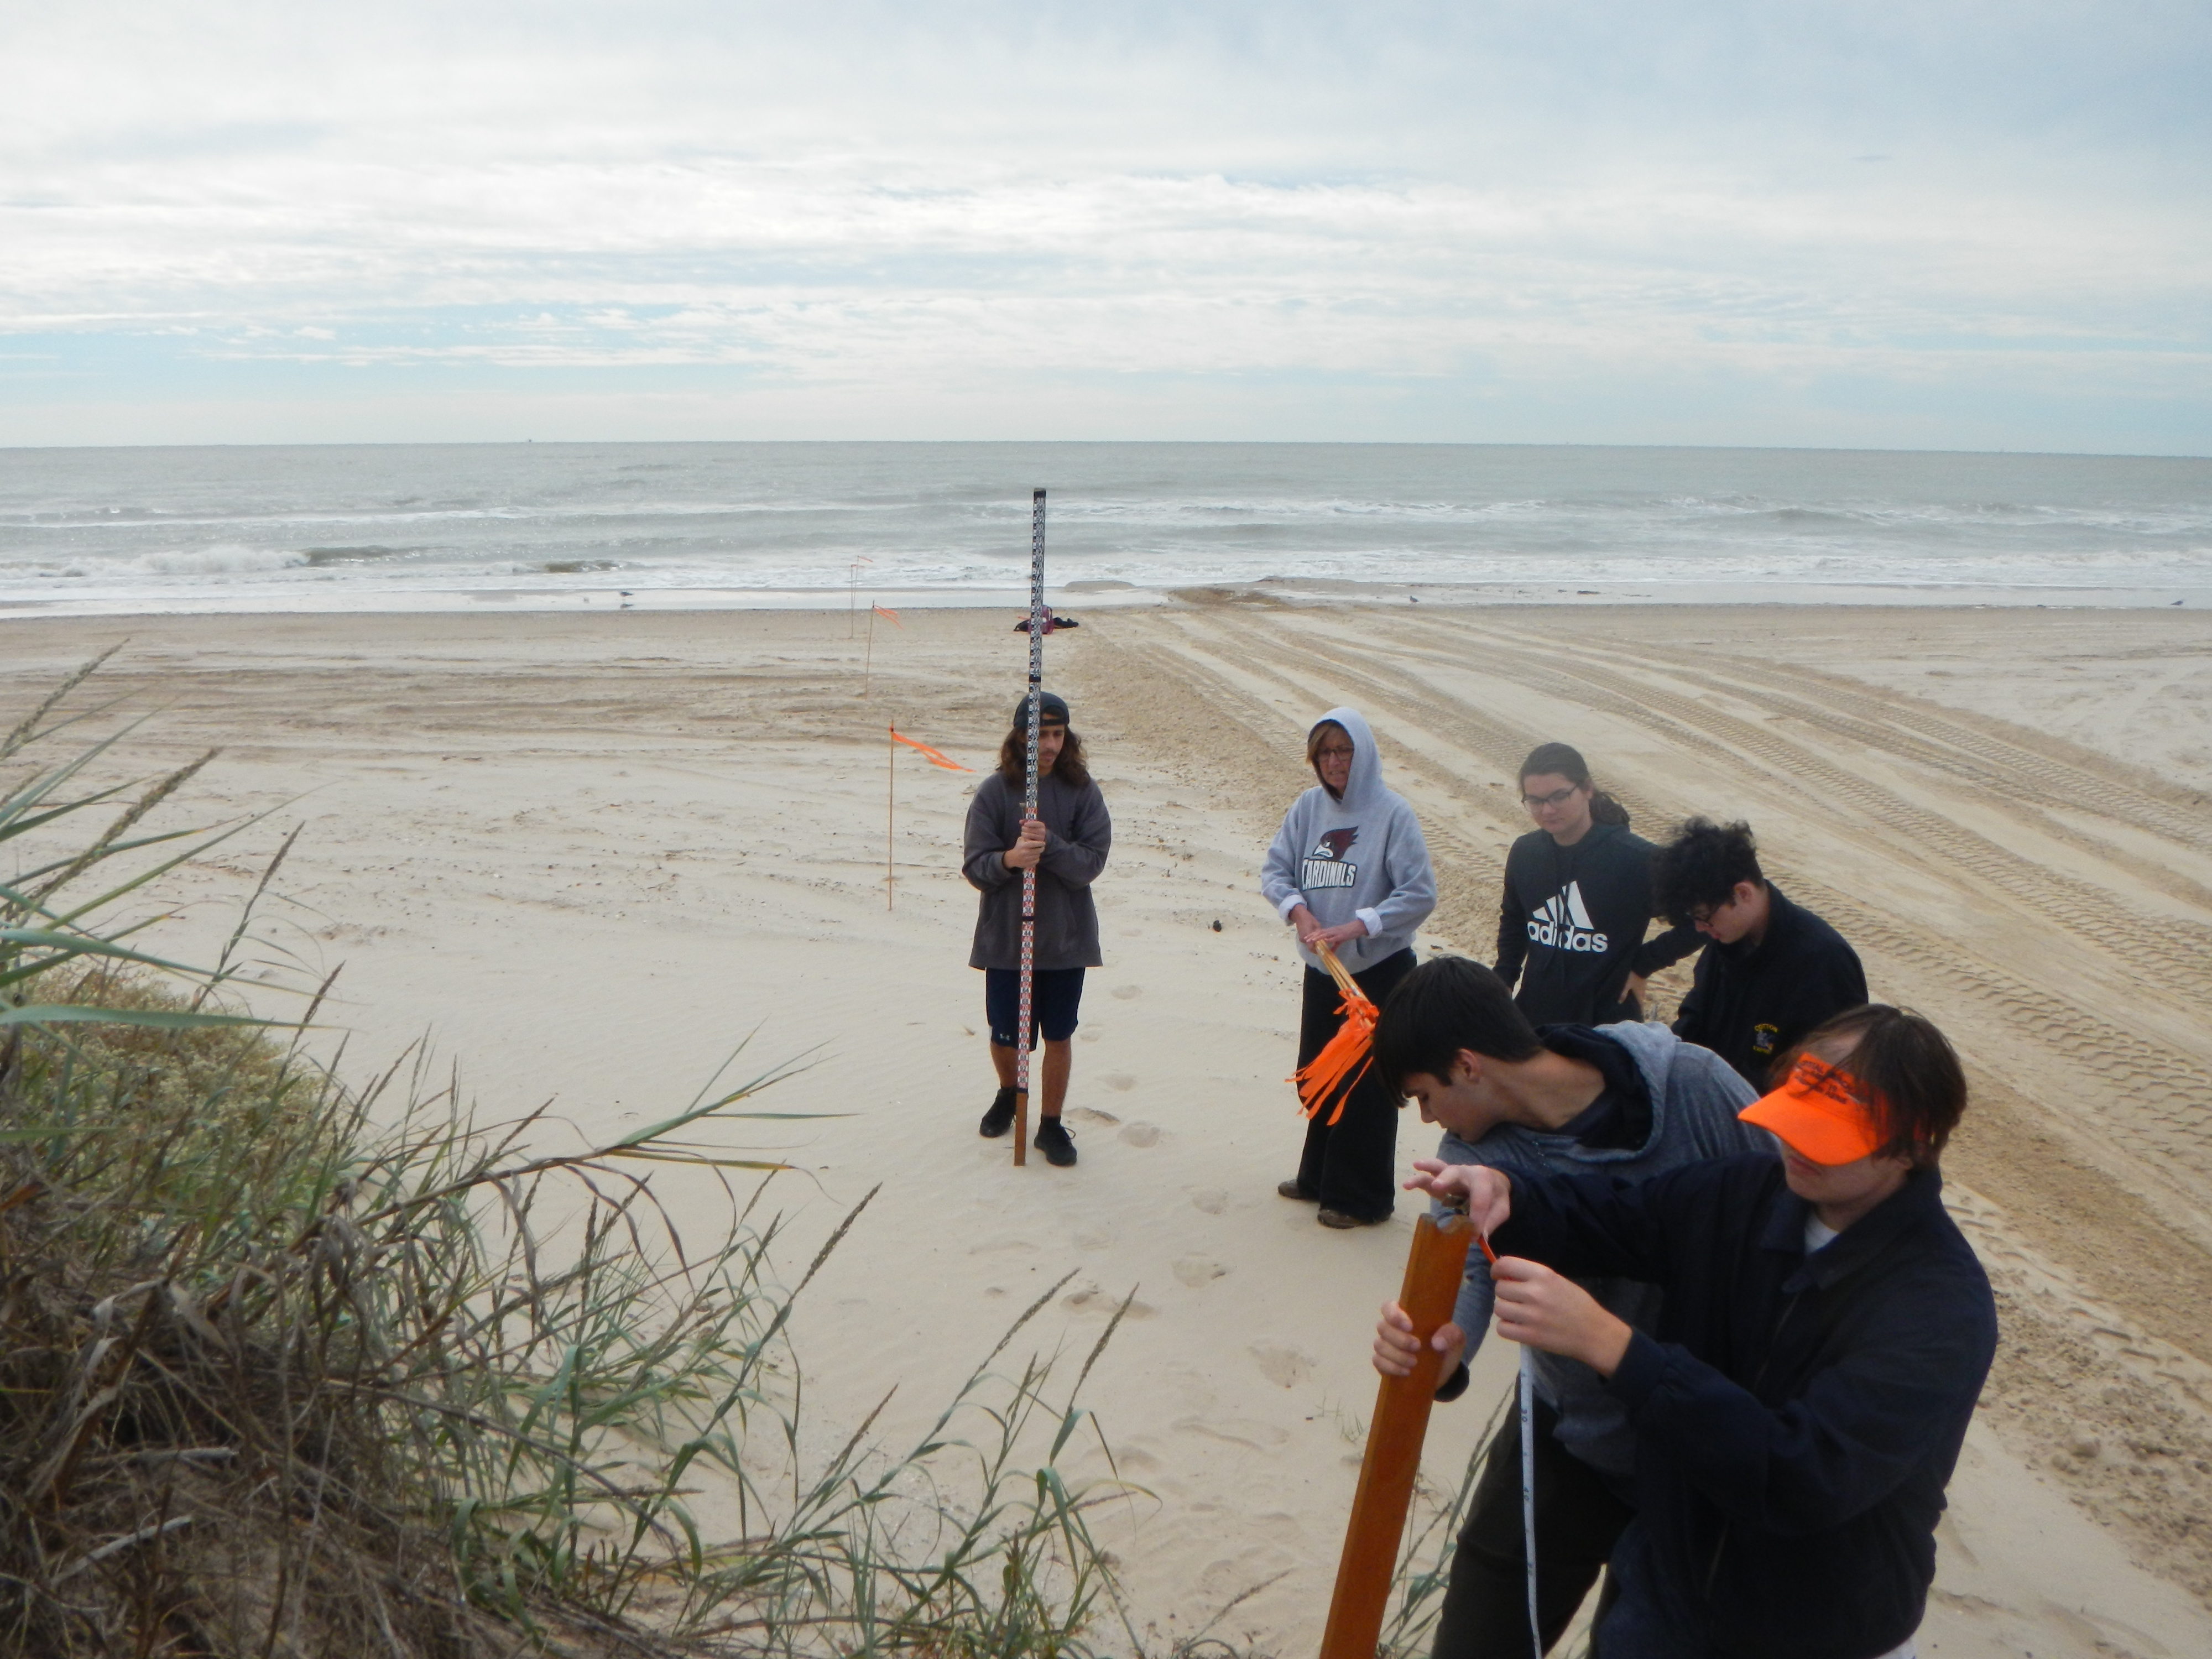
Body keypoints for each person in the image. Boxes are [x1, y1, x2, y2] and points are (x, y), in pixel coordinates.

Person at [1383, 1004, 1996, 1659]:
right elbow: (1616, 1217)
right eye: (1793, 1120)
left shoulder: (1939, 1308)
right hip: (1665, 1591)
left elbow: (1804, 1475)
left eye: (1827, 1135)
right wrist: (1506, 1189)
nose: (1793, 1146)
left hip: (1814, 1628)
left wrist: (1617, 1349)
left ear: (1914, 1143)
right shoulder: (1747, 1192)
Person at [1366, 956, 1766, 1658]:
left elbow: (1783, 1213)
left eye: (1423, 1096)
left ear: (1466, 1065)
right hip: (1566, 1439)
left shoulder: (1695, 1085)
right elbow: (1465, 1290)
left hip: (1700, 1451)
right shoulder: (1469, 1154)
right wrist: (1437, 1353)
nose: (1428, 1119)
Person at [1260, 707, 1436, 1227]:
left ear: (1363, 753)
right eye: (1326, 753)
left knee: (1366, 1086)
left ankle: (1361, 1198)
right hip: (1323, 972)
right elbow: (1275, 870)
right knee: (1319, 1076)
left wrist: (1359, 925)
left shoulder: (1393, 814)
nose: (1335, 763)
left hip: (1379, 972)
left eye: (1344, 751)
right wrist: (1299, 910)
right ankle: (1318, 1177)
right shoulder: (1308, 809)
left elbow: (1419, 894)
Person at [962, 691, 1110, 1167]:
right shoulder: (994, 792)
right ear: (1019, 737)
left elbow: (1091, 863)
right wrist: (1009, 860)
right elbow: (975, 865)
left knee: (1059, 1035)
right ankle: (1010, 1092)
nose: (1048, 744)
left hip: (1065, 940)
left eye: (1057, 734)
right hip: (1007, 937)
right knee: (1007, 1032)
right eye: (1039, 734)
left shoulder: (1082, 789)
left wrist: (1050, 847)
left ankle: (1049, 1124)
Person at [1652, 817, 1869, 1089]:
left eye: (1705, 917)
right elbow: (1694, 1023)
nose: (1700, 928)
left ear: (1743, 893)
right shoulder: (1724, 944)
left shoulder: (1824, 962)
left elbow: (1832, 1075)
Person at [1495, 743, 1697, 1027]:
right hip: (1534, 1017)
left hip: (1606, 1024)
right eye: (1535, 801)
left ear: (1587, 788)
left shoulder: (1637, 859)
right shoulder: (1525, 853)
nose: (1548, 810)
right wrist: (1503, 979)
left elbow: (1700, 920)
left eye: (1559, 796)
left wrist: (1643, 965)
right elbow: (1515, 919)